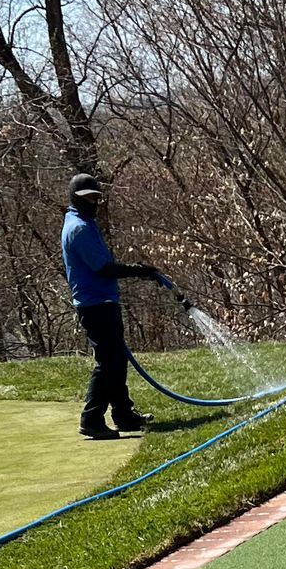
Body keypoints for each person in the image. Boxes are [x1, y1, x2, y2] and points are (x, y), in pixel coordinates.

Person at [60, 174, 171, 439]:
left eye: (96, 197)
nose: (94, 202)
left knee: (117, 360)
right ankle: (91, 419)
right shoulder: (79, 228)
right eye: (89, 198)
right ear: (76, 198)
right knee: (108, 363)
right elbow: (104, 268)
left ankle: (123, 415)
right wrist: (139, 271)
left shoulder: (84, 222)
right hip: (94, 304)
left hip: (102, 301)